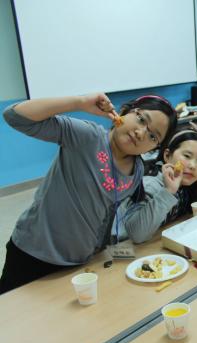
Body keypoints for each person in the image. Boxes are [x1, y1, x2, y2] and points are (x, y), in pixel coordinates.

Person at [0, 94, 177, 293]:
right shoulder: (87, 136)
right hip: (32, 253)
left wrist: (100, 253)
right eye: (141, 119)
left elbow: (105, 216)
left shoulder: (136, 171)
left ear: (155, 147)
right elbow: (14, 116)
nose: (140, 133)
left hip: (77, 263)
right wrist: (79, 103)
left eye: (153, 136)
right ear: (124, 112)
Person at [116, 126, 197, 243]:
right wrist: (168, 191)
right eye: (187, 156)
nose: (193, 165)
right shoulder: (151, 184)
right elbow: (136, 235)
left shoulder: (186, 184)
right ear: (167, 156)